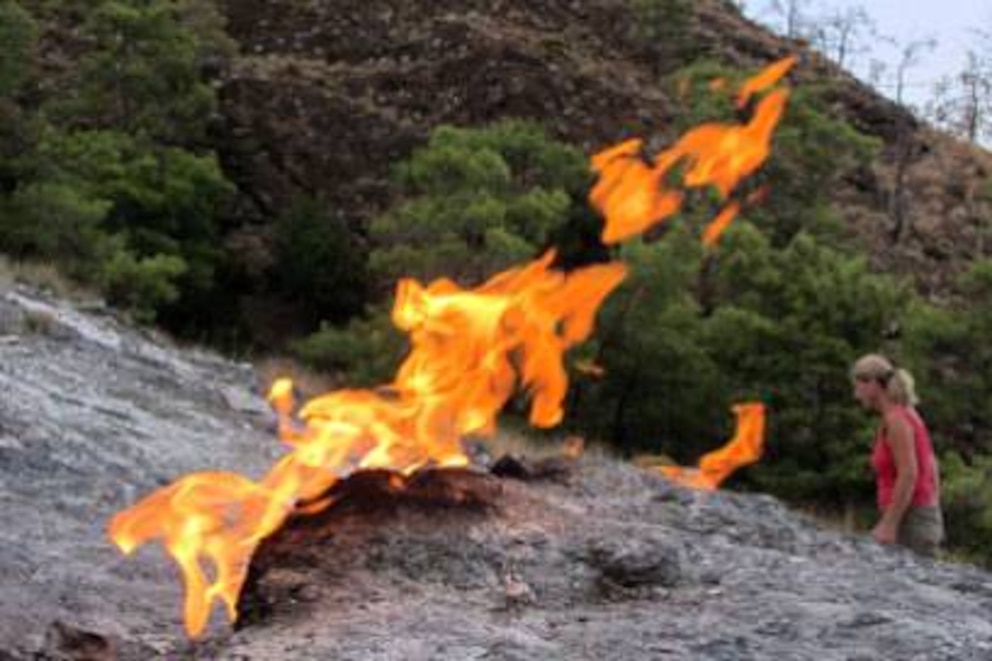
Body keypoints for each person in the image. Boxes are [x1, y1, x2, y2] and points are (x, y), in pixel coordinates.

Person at [852, 354, 944, 557]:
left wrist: (889, 525)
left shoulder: (896, 421)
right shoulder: (906, 413)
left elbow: (909, 473)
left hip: (910, 522)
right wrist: (932, 503)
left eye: (858, 386)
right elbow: (931, 463)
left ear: (873, 384)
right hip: (918, 515)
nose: (856, 395)